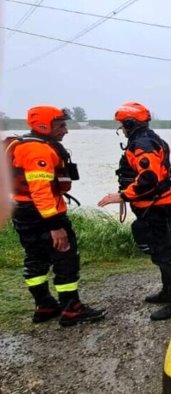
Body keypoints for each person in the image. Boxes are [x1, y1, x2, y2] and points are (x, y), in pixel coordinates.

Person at [7, 105, 106, 326]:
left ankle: (45, 305)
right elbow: (40, 190)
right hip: (43, 214)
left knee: (35, 259)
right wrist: (54, 225)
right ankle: (72, 309)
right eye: (60, 125)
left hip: (22, 211)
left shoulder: (21, 145)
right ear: (44, 125)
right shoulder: (38, 151)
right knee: (66, 259)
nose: (65, 130)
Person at [98, 102, 171, 321]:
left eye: (122, 124)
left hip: (155, 206)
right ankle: (169, 292)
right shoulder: (148, 139)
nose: (121, 128)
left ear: (130, 123)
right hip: (155, 204)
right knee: (161, 253)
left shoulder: (142, 144)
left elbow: (149, 178)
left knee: (164, 255)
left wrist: (121, 196)